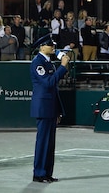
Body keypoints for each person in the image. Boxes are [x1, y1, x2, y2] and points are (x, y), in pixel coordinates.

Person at [30, 34, 69, 183]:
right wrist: (63, 66)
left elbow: (54, 89)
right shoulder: (37, 63)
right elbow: (48, 83)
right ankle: (39, 173)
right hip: (43, 107)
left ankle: (47, 173)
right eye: (49, 45)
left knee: (50, 143)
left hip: (51, 107)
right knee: (43, 141)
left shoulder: (49, 63)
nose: (53, 47)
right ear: (41, 47)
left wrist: (58, 110)